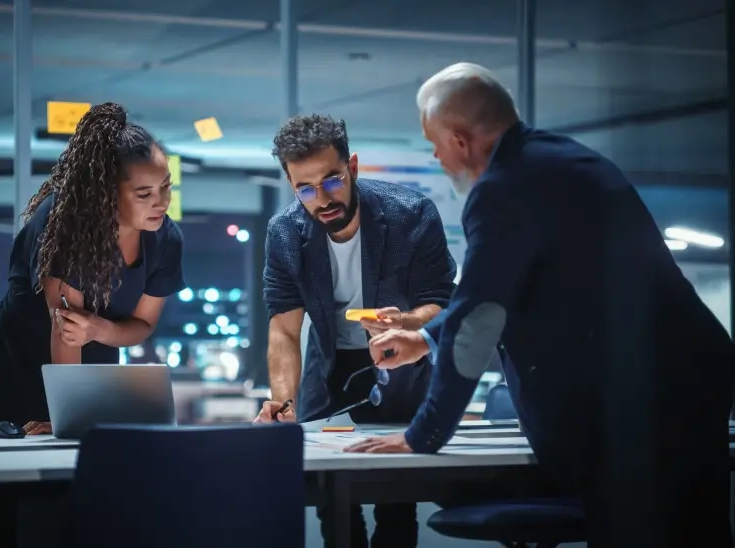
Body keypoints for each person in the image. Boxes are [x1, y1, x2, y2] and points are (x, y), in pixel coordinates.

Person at [346, 62, 735, 548]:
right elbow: (493, 294)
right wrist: (424, 339)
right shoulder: (559, 162)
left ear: (461, 140)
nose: (435, 155)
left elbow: (479, 320)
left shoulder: (504, 189)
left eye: (436, 142)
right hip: (676, 384)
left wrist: (423, 435)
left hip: (649, 402)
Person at [254, 114, 456, 548]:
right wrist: (283, 401)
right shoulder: (285, 234)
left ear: (354, 167)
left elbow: (439, 300)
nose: (321, 197)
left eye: (332, 180)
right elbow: (285, 331)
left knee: (396, 509)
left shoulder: (411, 215)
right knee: (335, 508)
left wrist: (409, 321)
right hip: (327, 377)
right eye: (305, 188)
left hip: (398, 367)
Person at [0, 102, 186, 437]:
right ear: (109, 193)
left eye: (166, 187)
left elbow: (142, 324)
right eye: (144, 194)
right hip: (22, 361)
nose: (162, 201)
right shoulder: (66, 228)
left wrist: (99, 330)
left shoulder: (165, 239)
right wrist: (64, 418)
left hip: (95, 366)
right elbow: (66, 332)